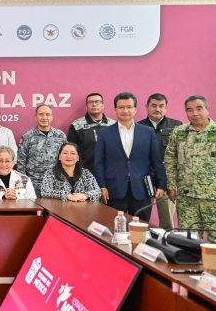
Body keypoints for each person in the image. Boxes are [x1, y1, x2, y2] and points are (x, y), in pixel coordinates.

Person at [165, 95, 216, 245]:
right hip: (187, 199)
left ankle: (215, 262)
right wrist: (171, 185)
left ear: (207, 109)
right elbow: (170, 160)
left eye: (199, 108)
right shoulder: (179, 133)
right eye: (189, 110)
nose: (194, 113)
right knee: (188, 241)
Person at [94, 92, 166, 221]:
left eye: (129, 107)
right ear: (115, 109)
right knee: (113, 227)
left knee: (140, 228)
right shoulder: (104, 133)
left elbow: (156, 161)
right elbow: (98, 163)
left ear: (135, 109)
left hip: (142, 190)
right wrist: (102, 186)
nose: (125, 110)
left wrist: (161, 185)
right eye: (121, 107)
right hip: (113, 190)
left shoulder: (148, 132)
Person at [137, 93, 183, 228]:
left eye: (161, 106)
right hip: (144, 179)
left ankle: (167, 239)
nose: (157, 109)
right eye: (154, 106)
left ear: (166, 108)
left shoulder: (177, 126)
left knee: (166, 219)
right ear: (146, 107)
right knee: (141, 216)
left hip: (168, 178)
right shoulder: (137, 127)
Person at [16, 105, 67, 196]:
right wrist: (24, 183)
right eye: (41, 114)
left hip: (55, 182)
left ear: (52, 117)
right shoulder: (27, 136)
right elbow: (21, 161)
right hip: (33, 184)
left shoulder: (60, 136)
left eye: (47, 114)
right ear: (36, 117)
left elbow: (66, 158)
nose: (44, 117)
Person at [67, 93, 115, 171]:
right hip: (85, 172)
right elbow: (71, 151)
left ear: (103, 105)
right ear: (86, 106)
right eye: (91, 102)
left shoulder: (113, 125)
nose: (94, 104)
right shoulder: (76, 125)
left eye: (97, 102)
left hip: (110, 171)